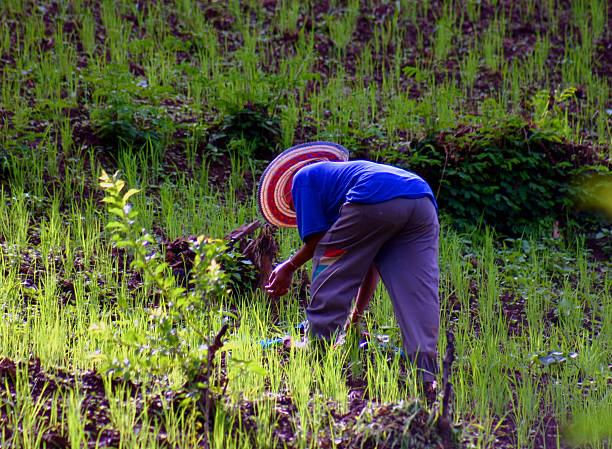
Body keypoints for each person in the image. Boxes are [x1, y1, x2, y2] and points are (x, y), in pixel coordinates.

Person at [257, 142, 440, 384]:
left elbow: (318, 242)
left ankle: (316, 345)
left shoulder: (301, 179)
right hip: (421, 200)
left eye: (293, 207)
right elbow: (370, 266)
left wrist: (289, 267)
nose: (296, 210)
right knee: (418, 291)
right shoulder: (341, 188)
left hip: (374, 195)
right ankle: (426, 375)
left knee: (329, 259)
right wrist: (356, 318)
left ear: (288, 192)